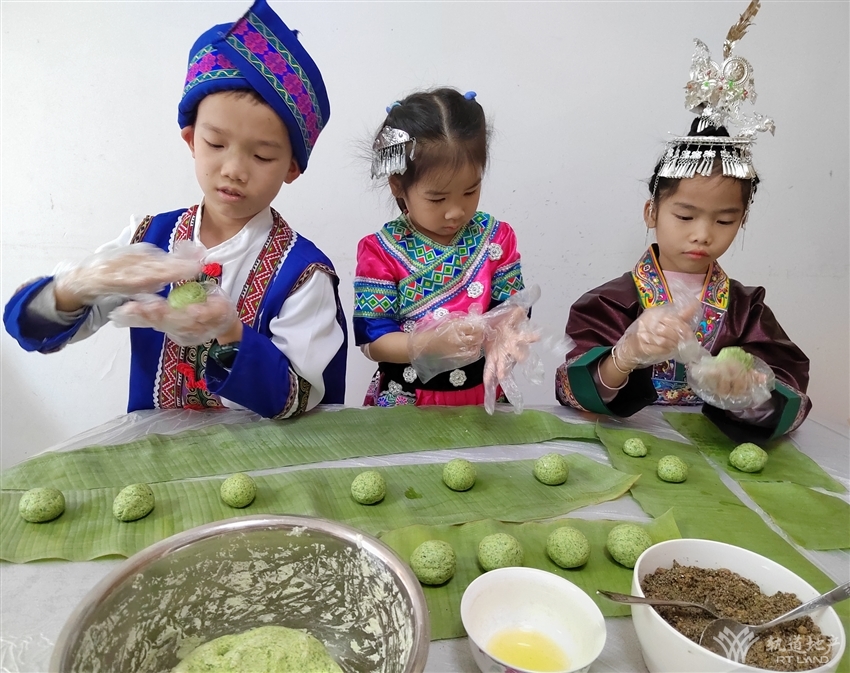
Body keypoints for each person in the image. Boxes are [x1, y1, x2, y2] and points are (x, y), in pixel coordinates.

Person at [3, 0, 347, 419]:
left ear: (291, 167)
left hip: (260, 456)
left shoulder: (302, 273)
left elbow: (298, 397)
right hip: (155, 455)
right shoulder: (149, 240)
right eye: (216, 144)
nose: (234, 170)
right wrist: (79, 285)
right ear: (191, 140)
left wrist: (230, 332)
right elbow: (32, 331)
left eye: (262, 156)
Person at [555, 6, 810, 440]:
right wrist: (624, 355)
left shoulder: (747, 310)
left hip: (717, 454)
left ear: (742, 220)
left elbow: (791, 394)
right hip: (627, 443)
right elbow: (570, 390)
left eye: (725, 220)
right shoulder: (610, 303)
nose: (703, 234)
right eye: (685, 215)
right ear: (651, 212)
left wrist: (751, 390)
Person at [353, 88, 528, 407]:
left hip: (482, 396)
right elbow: (374, 342)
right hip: (408, 399)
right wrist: (427, 343)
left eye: (470, 192)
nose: (455, 212)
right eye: (437, 198)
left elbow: (512, 307)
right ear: (397, 184)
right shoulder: (381, 251)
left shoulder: (496, 237)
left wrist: (509, 329)